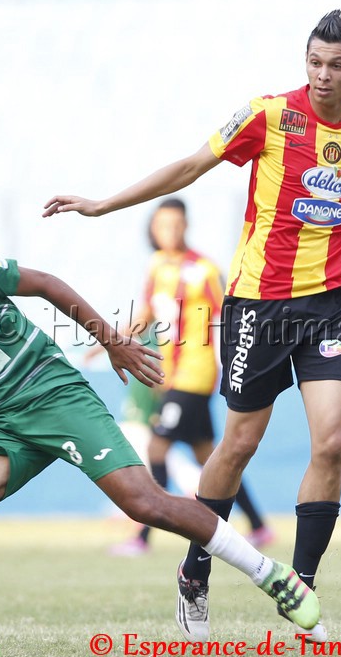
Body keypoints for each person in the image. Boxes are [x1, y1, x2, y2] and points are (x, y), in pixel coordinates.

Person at [0, 213, 319, 657]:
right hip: (2, 425)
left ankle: (270, 574)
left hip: (56, 395)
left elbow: (46, 284)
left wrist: (111, 341)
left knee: (143, 503)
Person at [43, 10, 341, 644]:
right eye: (314, 62)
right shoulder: (268, 115)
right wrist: (104, 204)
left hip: (329, 307)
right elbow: (191, 166)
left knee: (332, 443)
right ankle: (196, 568)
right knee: (238, 444)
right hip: (260, 307)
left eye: (336, 65)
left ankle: (301, 588)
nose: (323, 75)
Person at [109, 197, 274, 557]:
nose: (169, 231)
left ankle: (143, 537)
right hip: (171, 376)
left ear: (186, 225)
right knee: (210, 458)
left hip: (194, 375)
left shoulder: (203, 270)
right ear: (153, 229)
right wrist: (112, 340)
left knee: (157, 448)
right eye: (162, 225)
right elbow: (148, 313)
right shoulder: (156, 265)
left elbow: (230, 314)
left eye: (175, 224)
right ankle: (259, 526)